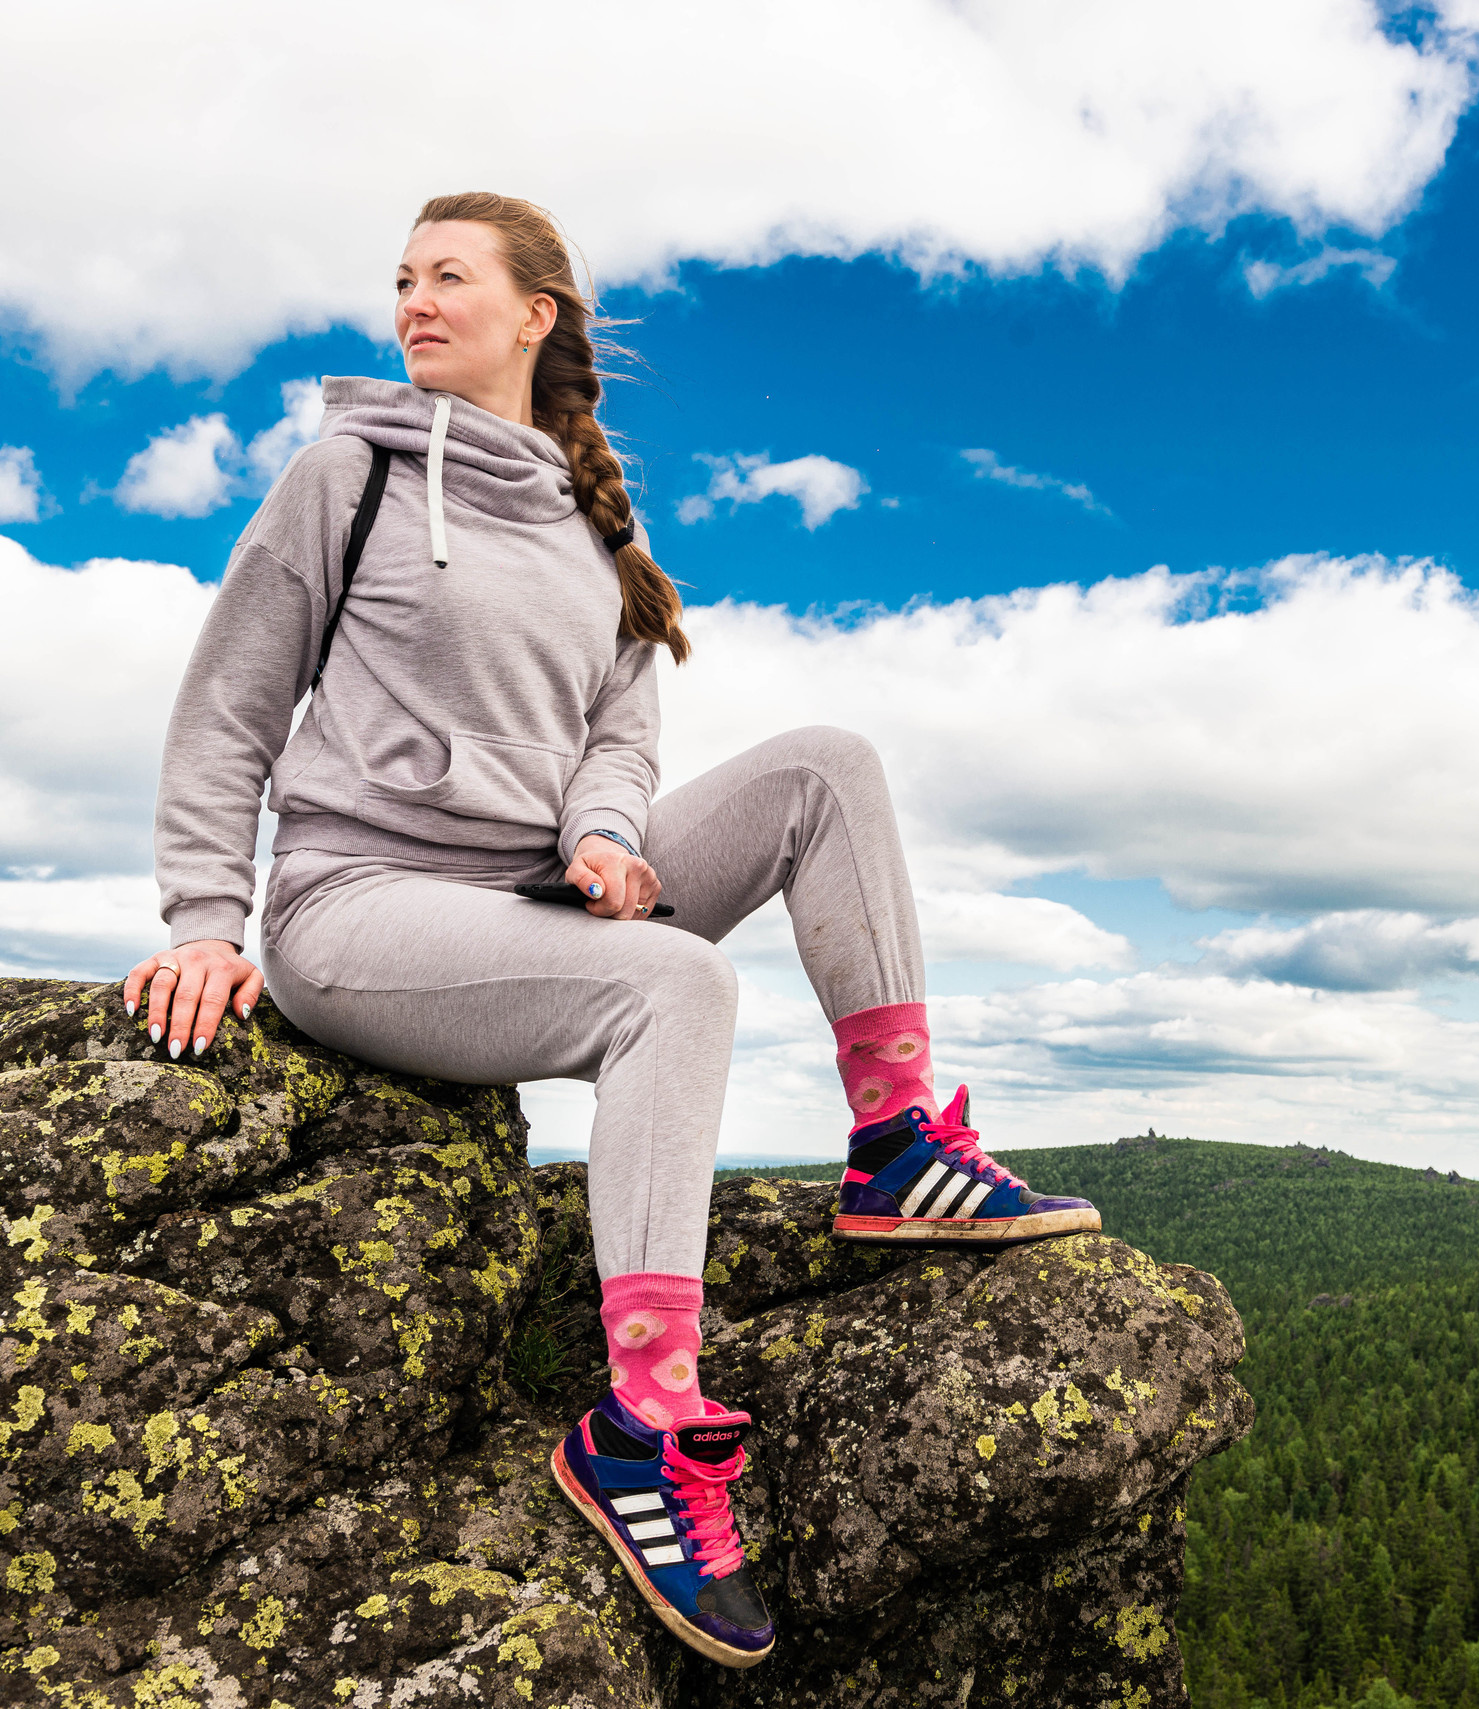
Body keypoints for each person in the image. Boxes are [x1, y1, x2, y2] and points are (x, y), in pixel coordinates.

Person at [124, 192, 1099, 1669]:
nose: (413, 302)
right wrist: (206, 915)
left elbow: (621, 735)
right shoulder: (350, 476)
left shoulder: (598, 518)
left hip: (534, 897)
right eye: (402, 279)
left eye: (450, 277)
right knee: (677, 987)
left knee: (826, 764)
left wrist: (605, 835)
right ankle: (642, 1425)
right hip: (359, 911)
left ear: (537, 317)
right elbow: (230, 705)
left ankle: (899, 1147)